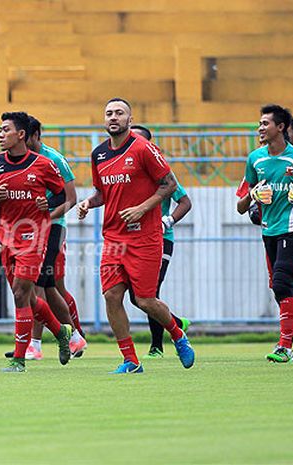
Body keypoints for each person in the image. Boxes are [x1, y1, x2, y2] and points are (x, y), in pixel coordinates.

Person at [77, 98, 195, 374]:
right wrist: (87, 203)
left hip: (146, 237)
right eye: (109, 113)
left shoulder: (143, 148)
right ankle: (131, 360)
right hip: (114, 239)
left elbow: (170, 185)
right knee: (111, 296)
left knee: (144, 300)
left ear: (130, 119)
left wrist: (142, 209)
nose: (113, 117)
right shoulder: (99, 154)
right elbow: (102, 194)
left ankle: (177, 334)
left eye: (119, 113)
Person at [0, 111, 73, 373]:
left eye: (5, 130)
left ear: (21, 134)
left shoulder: (43, 164)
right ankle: (61, 332)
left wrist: (48, 204)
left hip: (34, 236)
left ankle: (19, 360)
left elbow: (61, 196)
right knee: (27, 297)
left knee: (21, 294)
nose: (0, 135)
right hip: (6, 236)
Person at [13, 115, 85, 361]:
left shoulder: (53, 159)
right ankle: (74, 337)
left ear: (32, 136)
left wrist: (46, 217)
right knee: (50, 286)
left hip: (53, 227)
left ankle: (35, 344)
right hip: (28, 230)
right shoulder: (19, 161)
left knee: (40, 285)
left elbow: (70, 198)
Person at [246, 105, 293, 363]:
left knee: (284, 283)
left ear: (281, 127)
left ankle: (284, 345)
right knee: (284, 289)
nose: (260, 128)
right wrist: (253, 196)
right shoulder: (255, 159)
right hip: (268, 230)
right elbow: (243, 201)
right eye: (260, 123)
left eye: (265, 123)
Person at [130, 124, 192, 358]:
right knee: (135, 297)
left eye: (137, 139)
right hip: (131, 239)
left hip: (159, 238)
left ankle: (157, 346)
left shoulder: (162, 173)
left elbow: (185, 201)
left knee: (148, 293)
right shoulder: (124, 171)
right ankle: (177, 323)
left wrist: (168, 220)